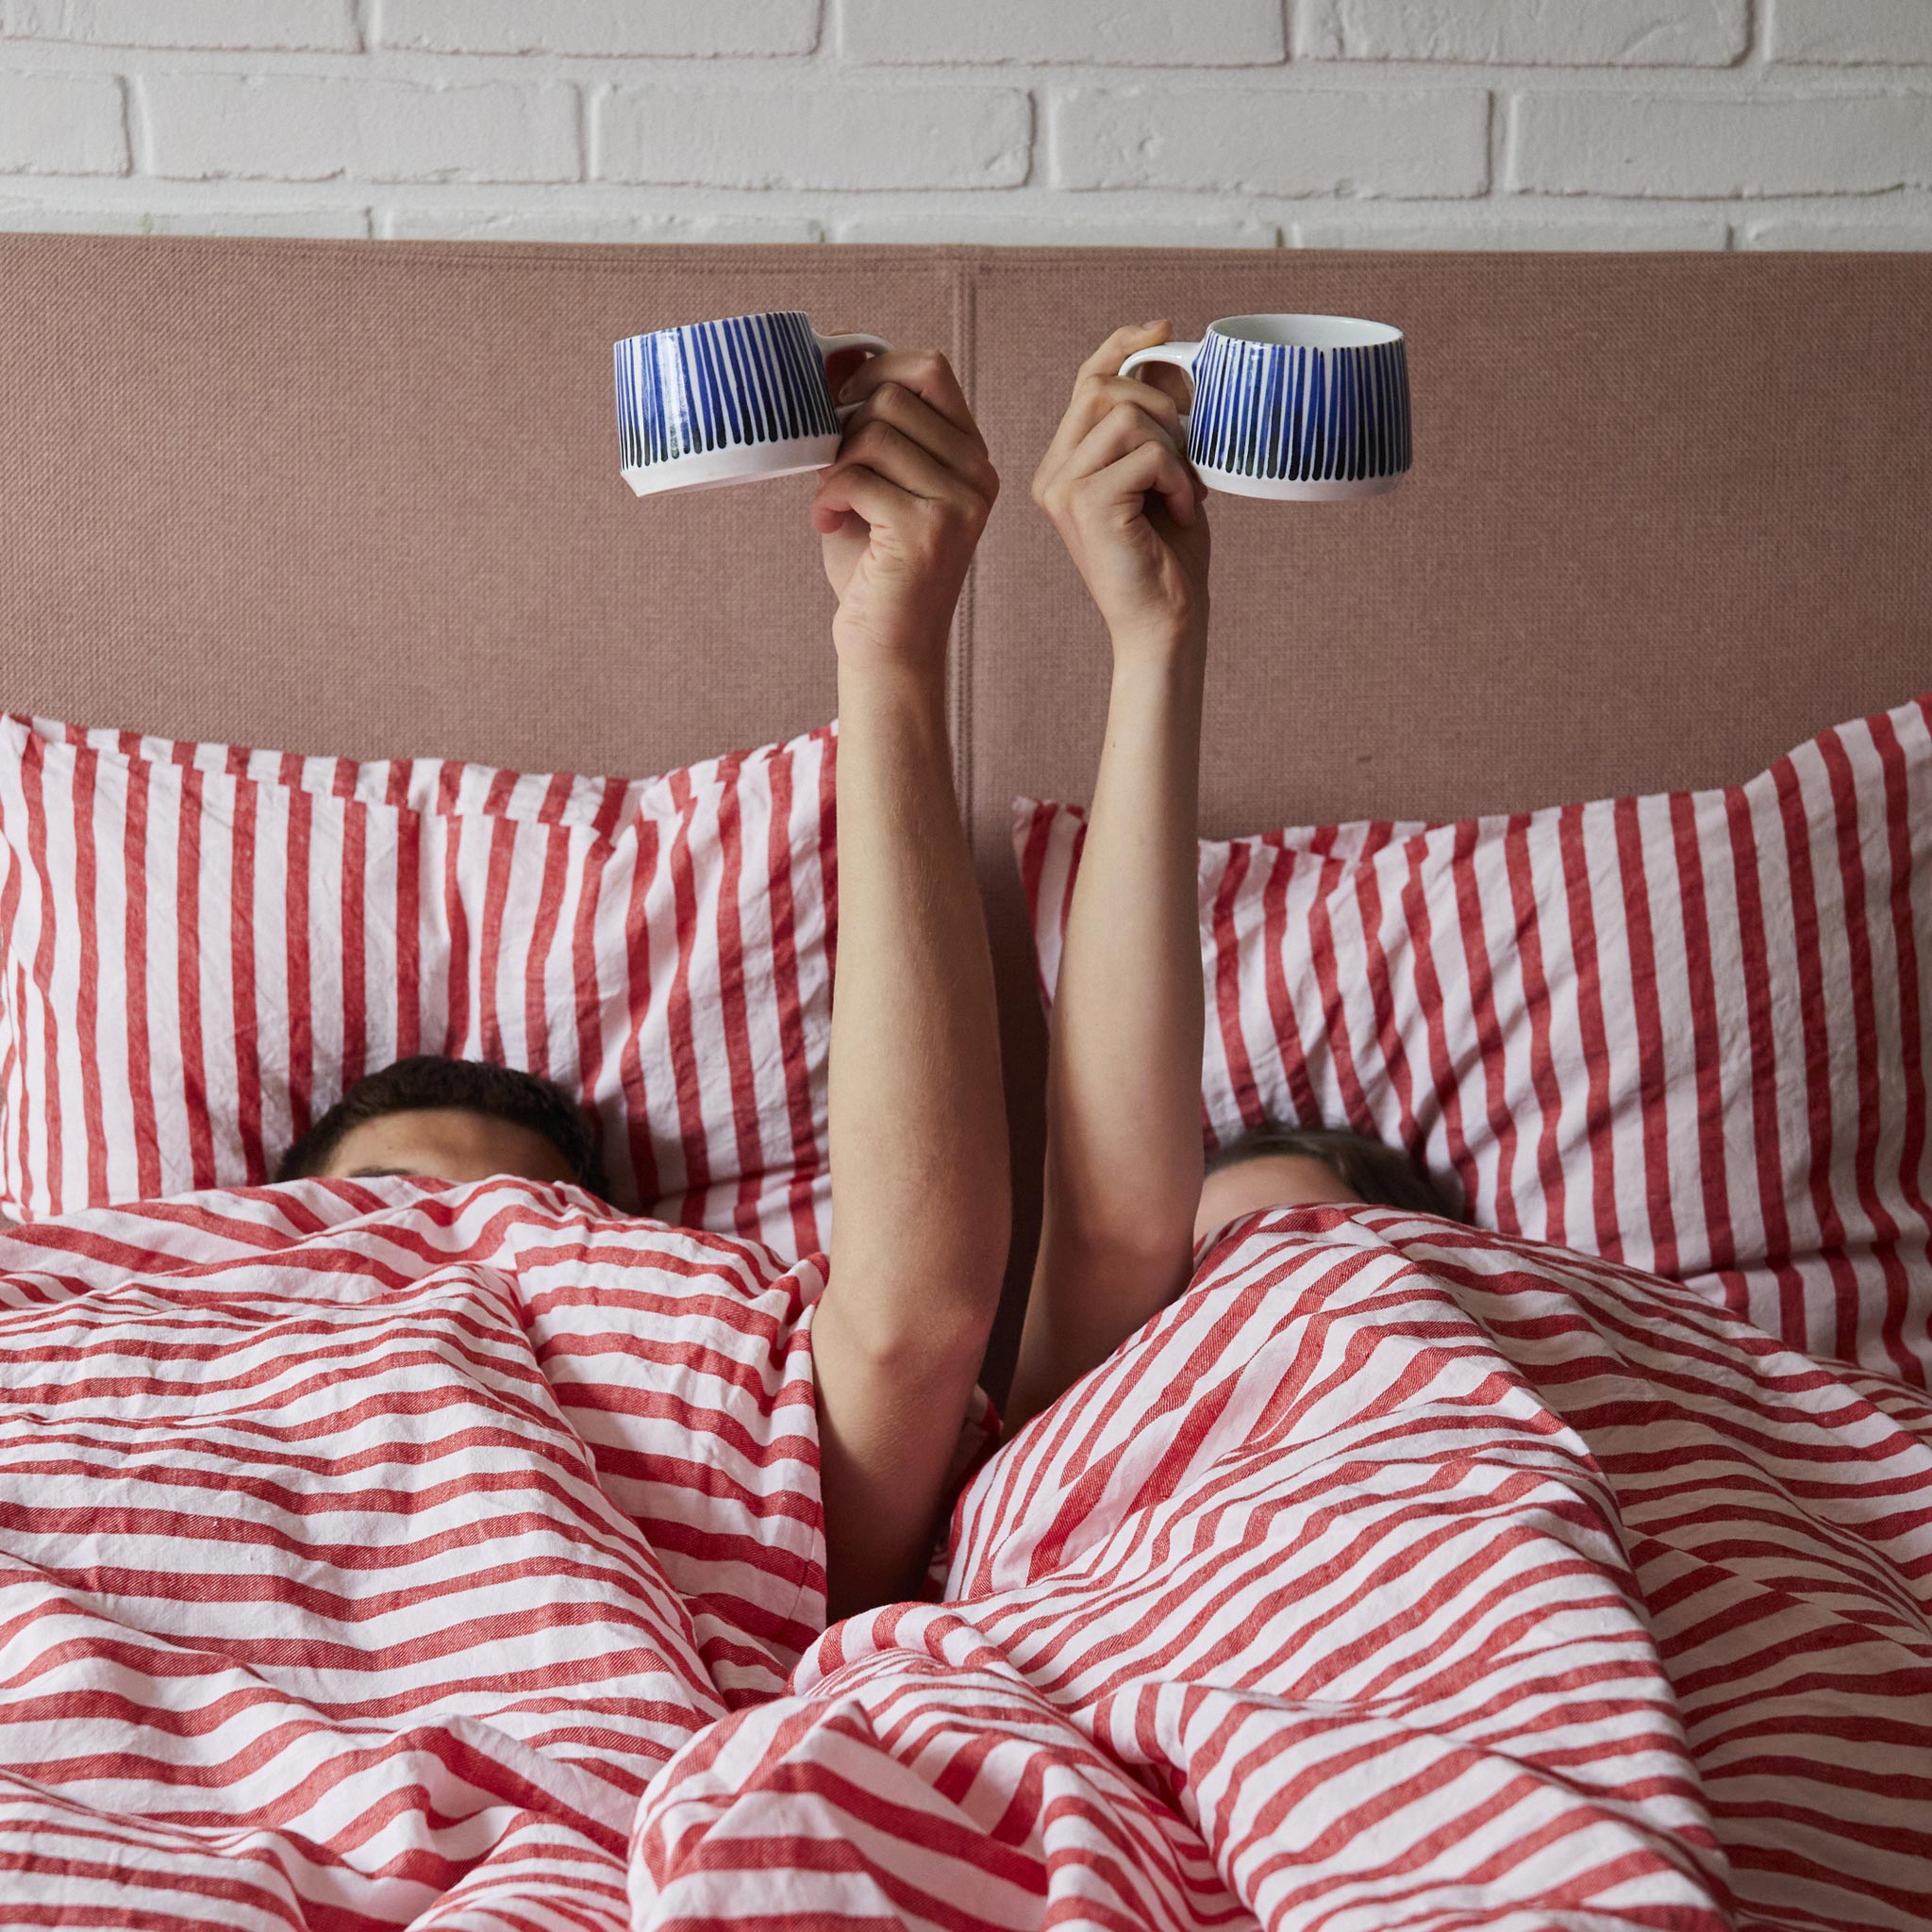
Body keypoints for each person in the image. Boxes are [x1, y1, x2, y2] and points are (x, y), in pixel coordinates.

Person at [275, 345, 1012, 1623]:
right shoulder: (130, 1301)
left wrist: (889, 649)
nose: (452, 1254)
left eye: (528, 1221)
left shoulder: (688, 1406)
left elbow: (916, 1315)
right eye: (386, 1208)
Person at [1003, 322, 1453, 1438]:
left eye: (1298, 1253)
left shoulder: (1500, 1323)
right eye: (1201, 1285)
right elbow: (1114, 1233)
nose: (1250, 1296)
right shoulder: (1120, 1402)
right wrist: (1155, 640)